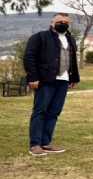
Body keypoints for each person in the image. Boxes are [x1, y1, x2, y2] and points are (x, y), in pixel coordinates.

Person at [24, 13, 80, 156]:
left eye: (66, 22)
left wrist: (73, 77)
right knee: (40, 111)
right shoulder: (39, 37)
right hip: (45, 80)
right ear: (52, 22)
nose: (63, 23)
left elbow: (72, 59)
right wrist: (33, 77)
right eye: (59, 21)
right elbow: (29, 57)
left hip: (63, 80)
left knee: (54, 112)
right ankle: (35, 145)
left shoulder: (70, 39)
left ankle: (45, 143)